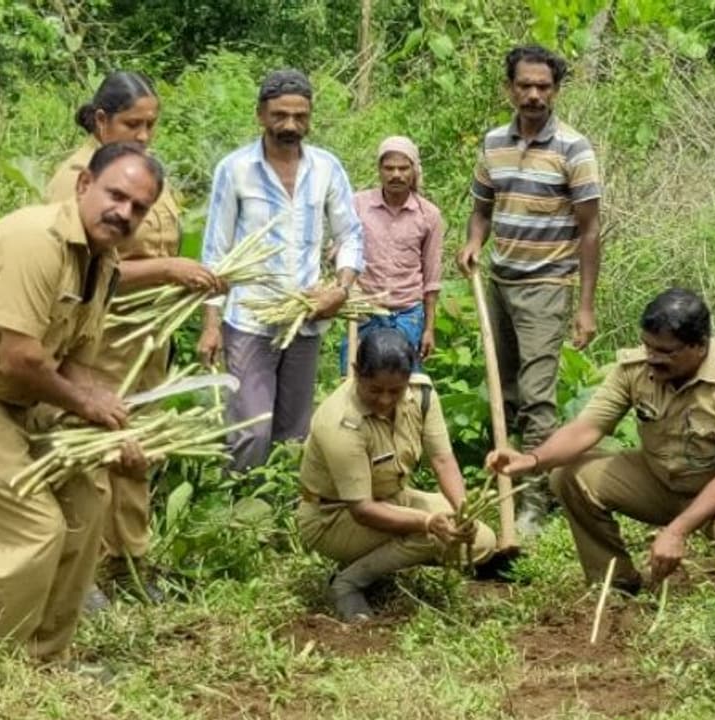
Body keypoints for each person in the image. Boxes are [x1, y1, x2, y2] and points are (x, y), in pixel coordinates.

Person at [0, 142, 161, 667]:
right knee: (33, 529)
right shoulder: (35, 240)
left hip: (12, 401)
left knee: (86, 504)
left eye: (138, 207)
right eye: (117, 195)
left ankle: (44, 659)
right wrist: (89, 408)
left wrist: (109, 429)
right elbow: (21, 359)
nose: (124, 212)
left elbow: (77, 366)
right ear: (85, 185)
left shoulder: (102, 265)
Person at [46, 71, 222, 608]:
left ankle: (129, 561)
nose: (144, 135)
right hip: (99, 341)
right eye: (132, 124)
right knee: (95, 452)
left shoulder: (142, 173)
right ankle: (84, 572)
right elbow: (89, 267)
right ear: (101, 120)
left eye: (151, 124)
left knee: (137, 451)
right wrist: (171, 270)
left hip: (147, 341)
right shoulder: (80, 179)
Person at [486, 288, 715, 595]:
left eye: (666, 352)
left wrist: (676, 531)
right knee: (570, 476)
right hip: (660, 478)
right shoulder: (635, 367)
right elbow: (587, 428)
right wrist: (532, 460)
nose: (653, 358)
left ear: (701, 346)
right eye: (648, 346)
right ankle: (614, 583)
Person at [456, 44, 603, 533]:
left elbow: (589, 229)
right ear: (509, 88)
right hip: (499, 281)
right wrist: (474, 243)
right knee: (506, 388)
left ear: (556, 90)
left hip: (546, 283)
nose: (534, 95)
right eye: (525, 86)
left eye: (543, 86)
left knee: (538, 395)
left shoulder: (574, 148)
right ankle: (509, 478)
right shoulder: (493, 142)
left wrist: (585, 307)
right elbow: (482, 208)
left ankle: (535, 501)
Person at [200, 68, 364, 473]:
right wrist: (210, 323)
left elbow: (351, 236)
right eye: (279, 115)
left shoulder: (326, 168)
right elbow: (215, 252)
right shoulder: (234, 169)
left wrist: (340, 290)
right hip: (250, 318)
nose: (290, 125)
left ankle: (277, 515)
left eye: (300, 116)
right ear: (260, 114)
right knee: (251, 429)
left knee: (294, 431)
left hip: (306, 318)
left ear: (310, 117)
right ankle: (235, 507)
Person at [299, 328, 504, 622]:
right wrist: (427, 522)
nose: (384, 400)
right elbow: (362, 509)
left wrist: (464, 512)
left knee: (482, 540)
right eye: (374, 390)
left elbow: (443, 459)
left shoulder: (421, 394)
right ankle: (347, 582)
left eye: (394, 391)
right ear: (357, 373)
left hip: (391, 498)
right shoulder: (340, 422)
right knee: (433, 534)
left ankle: (383, 558)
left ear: (408, 379)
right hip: (333, 517)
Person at [336, 135, 444, 370]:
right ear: (379, 170)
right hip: (364, 312)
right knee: (354, 379)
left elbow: (432, 278)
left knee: (403, 385)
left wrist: (428, 329)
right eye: (389, 168)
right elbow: (343, 246)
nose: (396, 174)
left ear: (413, 170)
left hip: (407, 315)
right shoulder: (358, 205)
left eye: (403, 168)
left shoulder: (429, 215)